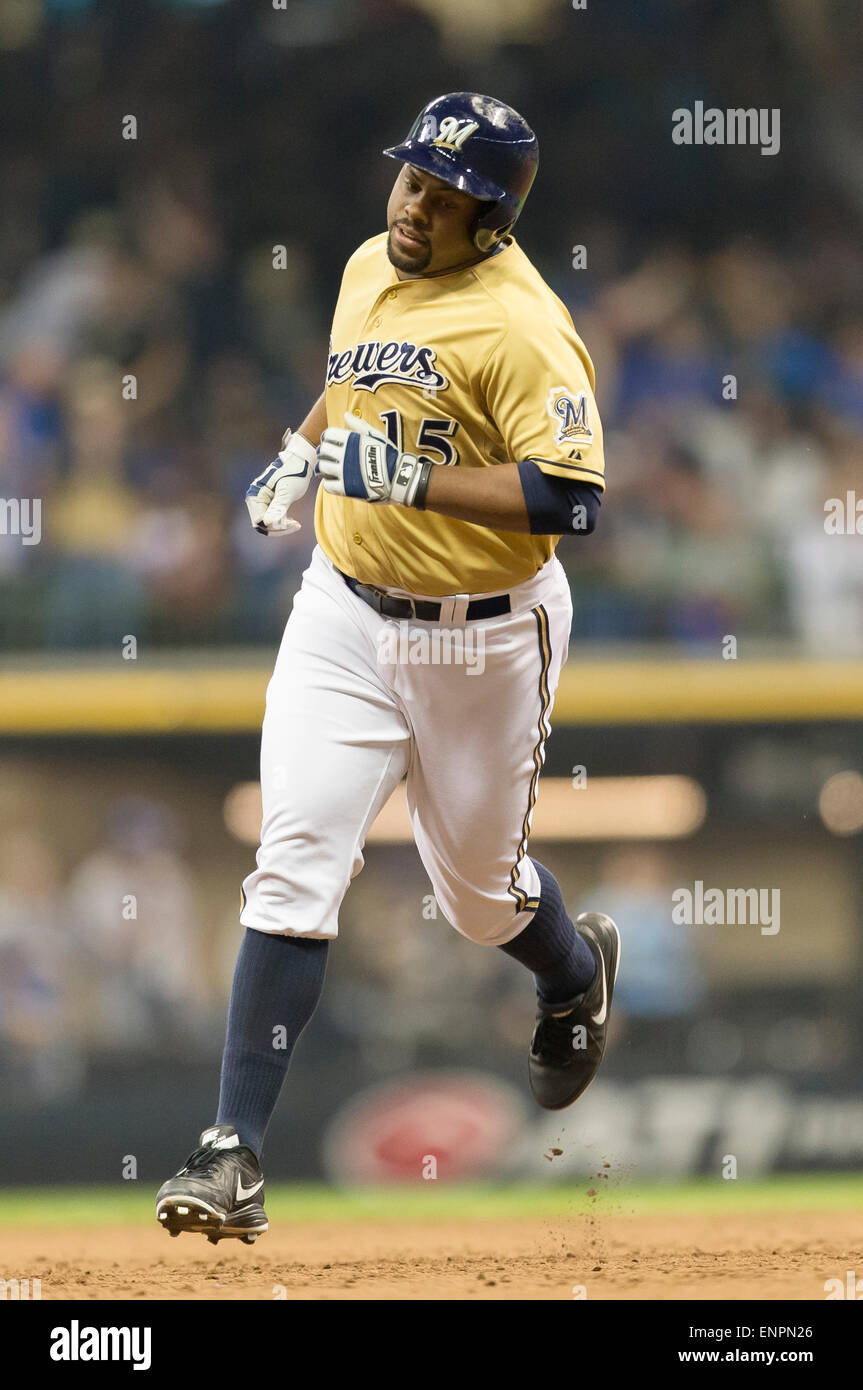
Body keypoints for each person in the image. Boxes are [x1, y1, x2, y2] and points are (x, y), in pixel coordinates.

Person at [157, 93, 621, 1244]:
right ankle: (234, 1154)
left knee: (474, 899)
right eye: (411, 179)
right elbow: (356, 382)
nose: (415, 205)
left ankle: (570, 969)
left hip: (484, 632)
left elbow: (571, 495)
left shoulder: (522, 324)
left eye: (445, 195)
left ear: (495, 215)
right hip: (344, 609)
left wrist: (409, 480)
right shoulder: (371, 261)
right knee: (294, 857)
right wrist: (306, 448)